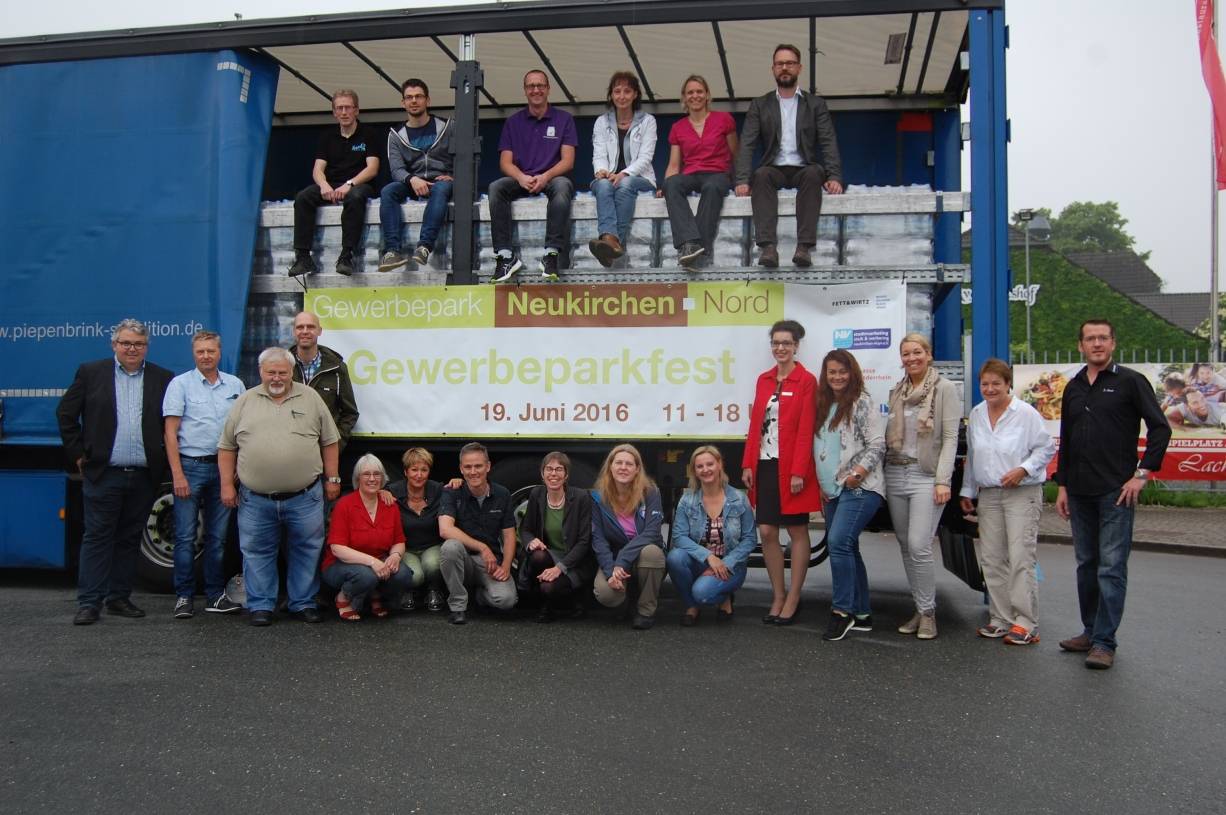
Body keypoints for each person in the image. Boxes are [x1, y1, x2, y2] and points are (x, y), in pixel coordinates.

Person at [1055, 319, 1170, 670]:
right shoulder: (1073, 386)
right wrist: (1062, 486)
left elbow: (1160, 429)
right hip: (1079, 491)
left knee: (1111, 568)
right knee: (1086, 566)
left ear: (1113, 343)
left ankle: (1105, 642)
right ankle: (1090, 632)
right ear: (1080, 346)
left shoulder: (1131, 382)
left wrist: (1142, 475)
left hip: (1116, 491)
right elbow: (1067, 439)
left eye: (1103, 338)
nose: (1097, 344)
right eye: (1090, 338)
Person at [57, 318, 174, 626]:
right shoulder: (91, 373)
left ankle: (119, 598)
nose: (132, 349)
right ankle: (89, 602)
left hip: (144, 475)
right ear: (114, 345)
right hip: (104, 473)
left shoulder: (163, 378)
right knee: (97, 537)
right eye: (126, 343)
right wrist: (78, 454)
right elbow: (66, 414)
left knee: (129, 538)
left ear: (146, 347)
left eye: (138, 344)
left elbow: (171, 424)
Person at [218, 347, 342, 626]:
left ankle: (303, 602)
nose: (276, 377)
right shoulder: (245, 401)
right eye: (271, 372)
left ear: (291, 372)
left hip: (305, 496)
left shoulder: (310, 398)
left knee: (306, 550)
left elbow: (329, 441)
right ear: (260, 372)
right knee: (256, 552)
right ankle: (261, 605)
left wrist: (332, 478)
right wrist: (226, 485)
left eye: (282, 372)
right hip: (255, 498)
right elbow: (226, 447)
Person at [958, 359, 1056, 646]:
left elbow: (1046, 448)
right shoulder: (977, 414)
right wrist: (967, 491)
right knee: (991, 558)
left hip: (1021, 493)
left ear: (1008, 384)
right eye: (985, 384)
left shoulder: (1025, 413)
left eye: (996, 384)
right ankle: (1000, 618)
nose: (990, 389)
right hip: (989, 494)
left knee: (1020, 556)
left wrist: (1023, 469)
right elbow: (973, 455)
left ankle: (1026, 623)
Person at [735, 43, 844, 269]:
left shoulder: (815, 104)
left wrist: (834, 176)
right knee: (761, 175)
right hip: (773, 167)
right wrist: (742, 180)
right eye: (780, 64)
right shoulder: (760, 104)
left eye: (790, 63)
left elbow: (828, 141)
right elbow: (747, 143)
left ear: (799, 68)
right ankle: (768, 248)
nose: (784, 68)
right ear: (773, 69)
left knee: (814, 174)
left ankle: (804, 247)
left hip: (804, 167)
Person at [162, 330, 246, 619]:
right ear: (193, 353)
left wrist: (236, 469)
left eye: (211, 351)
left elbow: (242, 431)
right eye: (201, 351)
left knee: (218, 539)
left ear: (219, 353)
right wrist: (177, 475)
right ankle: (184, 597)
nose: (206, 356)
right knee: (186, 537)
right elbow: (170, 434)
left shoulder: (235, 385)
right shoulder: (180, 385)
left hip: (224, 469)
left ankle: (214, 596)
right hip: (191, 467)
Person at [741, 319, 819, 626]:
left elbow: (806, 428)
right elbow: (755, 426)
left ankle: (794, 597)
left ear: (796, 346)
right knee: (767, 531)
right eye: (776, 343)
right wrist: (748, 463)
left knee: (797, 531)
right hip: (765, 464)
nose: (780, 348)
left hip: (792, 467)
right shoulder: (764, 379)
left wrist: (799, 471)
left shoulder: (806, 380)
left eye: (786, 343)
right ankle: (778, 595)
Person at [884, 332, 959, 640]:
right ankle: (920, 607)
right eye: (906, 354)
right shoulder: (897, 391)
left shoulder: (944, 389)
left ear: (928, 355)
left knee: (919, 544)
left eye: (917, 352)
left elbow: (951, 438)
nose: (912, 358)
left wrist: (943, 480)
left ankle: (928, 614)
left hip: (925, 475)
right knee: (905, 544)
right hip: (895, 471)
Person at [812, 350, 886, 642]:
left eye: (842, 371)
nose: (837, 377)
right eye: (832, 372)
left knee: (838, 543)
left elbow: (877, 444)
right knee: (848, 547)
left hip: (860, 487)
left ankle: (842, 612)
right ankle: (862, 613)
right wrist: (823, 483)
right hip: (833, 490)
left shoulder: (861, 402)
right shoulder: (824, 405)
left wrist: (858, 473)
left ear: (852, 373)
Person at [488, 69, 578, 283]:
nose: (536, 90)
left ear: (548, 89)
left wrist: (545, 176)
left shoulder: (564, 119)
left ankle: (551, 254)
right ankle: (505, 256)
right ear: (525, 90)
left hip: (550, 177)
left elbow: (568, 161)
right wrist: (520, 177)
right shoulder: (513, 122)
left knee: (563, 185)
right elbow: (505, 162)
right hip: (521, 178)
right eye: (531, 86)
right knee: (495, 188)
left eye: (540, 85)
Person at [288, 90, 379, 277]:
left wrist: (349, 184)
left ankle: (347, 256)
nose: (344, 112)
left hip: (358, 184)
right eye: (340, 108)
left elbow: (372, 168)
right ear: (334, 112)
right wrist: (324, 185)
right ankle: (303, 257)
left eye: (348, 108)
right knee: (303, 197)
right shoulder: (327, 137)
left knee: (355, 197)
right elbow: (317, 169)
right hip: (332, 184)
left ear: (356, 110)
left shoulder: (368, 134)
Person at [666, 446, 756, 626]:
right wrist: (708, 557)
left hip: (731, 565)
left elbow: (750, 539)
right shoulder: (687, 500)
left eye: (710, 464)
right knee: (675, 557)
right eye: (699, 466)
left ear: (719, 464)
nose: (705, 469)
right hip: (701, 561)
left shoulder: (739, 498)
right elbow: (679, 536)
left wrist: (725, 563)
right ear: (694, 471)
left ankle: (722, 597)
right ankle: (692, 606)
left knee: (702, 593)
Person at [661, 75, 738, 271]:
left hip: (718, 173)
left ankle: (698, 249)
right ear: (684, 98)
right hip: (692, 173)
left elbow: (736, 153)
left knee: (712, 187)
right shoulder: (678, 127)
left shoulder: (724, 119)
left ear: (707, 95)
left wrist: (742, 180)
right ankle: (689, 243)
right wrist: (665, 185)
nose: (695, 96)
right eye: (690, 92)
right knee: (671, 184)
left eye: (699, 91)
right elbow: (674, 164)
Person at [323, 454, 413, 621]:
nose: (372, 479)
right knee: (366, 576)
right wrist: (372, 562)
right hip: (341, 564)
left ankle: (375, 594)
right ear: (358, 478)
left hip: (378, 560)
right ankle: (343, 597)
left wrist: (395, 555)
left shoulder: (390, 505)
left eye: (376, 474)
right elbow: (337, 548)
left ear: (382, 478)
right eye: (366, 474)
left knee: (403, 575)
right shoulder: (344, 505)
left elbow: (399, 541)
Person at [378, 78, 454, 272]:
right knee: (388, 191)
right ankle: (392, 251)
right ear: (403, 102)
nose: (414, 101)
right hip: (412, 182)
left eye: (418, 96)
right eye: (409, 97)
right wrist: (412, 179)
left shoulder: (448, 126)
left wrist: (454, 175)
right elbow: (396, 170)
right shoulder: (396, 134)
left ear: (428, 100)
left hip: (441, 181)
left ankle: (424, 247)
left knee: (441, 188)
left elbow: (465, 157)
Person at [438, 443, 518, 624]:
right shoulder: (451, 492)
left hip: (490, 563)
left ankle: (480, 597)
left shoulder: (502, 494)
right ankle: (458, 607)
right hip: (463, 559)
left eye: (478, 466)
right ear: (461, 469)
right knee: (450, 547)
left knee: (506, 601)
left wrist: (506, 566)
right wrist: (482, 547)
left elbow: (509, 535)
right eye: (468, 467)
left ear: (488, 466)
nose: (473, 472)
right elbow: (445, 529)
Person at [590, 444, 666, 630]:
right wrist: (610, 571)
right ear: (610, 466)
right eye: (619, 463)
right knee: (606, 595)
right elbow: (598, 539)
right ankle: (624, 601)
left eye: (629, 464)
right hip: (615, 557)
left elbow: (652, 532)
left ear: (637, 469)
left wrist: (623, 559)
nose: (623, 467)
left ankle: (645, 611)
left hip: (641, 553)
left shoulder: (650, 492)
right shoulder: (597, 497)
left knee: (652, 553)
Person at [588, 71, 657, 267]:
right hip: (609, 177)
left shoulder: (648, 121)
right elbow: (598, 154)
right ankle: (611, 241)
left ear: (635, 94)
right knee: (603, 185)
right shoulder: (601, 122)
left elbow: (646, 157)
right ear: (611, 95)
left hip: (640, 178)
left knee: (625, 184)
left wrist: (624, 173)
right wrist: (601, 171)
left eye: (627, 91)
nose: (622, 96)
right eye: (617, 91)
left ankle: (611, 242)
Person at [517, 452, 595, 623]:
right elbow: (525, 529)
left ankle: (576, 596)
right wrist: (530, 541)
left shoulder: (581, 497)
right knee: (537, 555)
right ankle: (545, 606)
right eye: (549, 469)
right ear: (542, 473)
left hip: (574, 560)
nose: (553, 474)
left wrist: (559, 568)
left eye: (559, 469)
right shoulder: (537, 494)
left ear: (566, 475)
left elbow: (584, 542)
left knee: (549, 587)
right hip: (549, 556)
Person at [382, 447, 447, 611]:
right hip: (406, 548)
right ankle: (407, 590)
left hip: (432, 546)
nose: (419, 475)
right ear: (406, 472)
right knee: (415, 576)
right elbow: (369, 492)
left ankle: (434, 589)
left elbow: (459, 493)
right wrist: (380, 492)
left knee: (432, 566)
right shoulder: (392, 491)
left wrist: (457, 482)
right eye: (414, 470)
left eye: (424, 470)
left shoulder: (438, 490)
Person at [289, 311, 359, 453]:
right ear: (293, 331)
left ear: (319, 331)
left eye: (310, 327)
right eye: (300, 327)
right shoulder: (283, 366)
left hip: (323, 452)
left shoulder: (337, 368)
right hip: (288, 450)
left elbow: (350, 413)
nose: (305, 331)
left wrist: (335, 446)